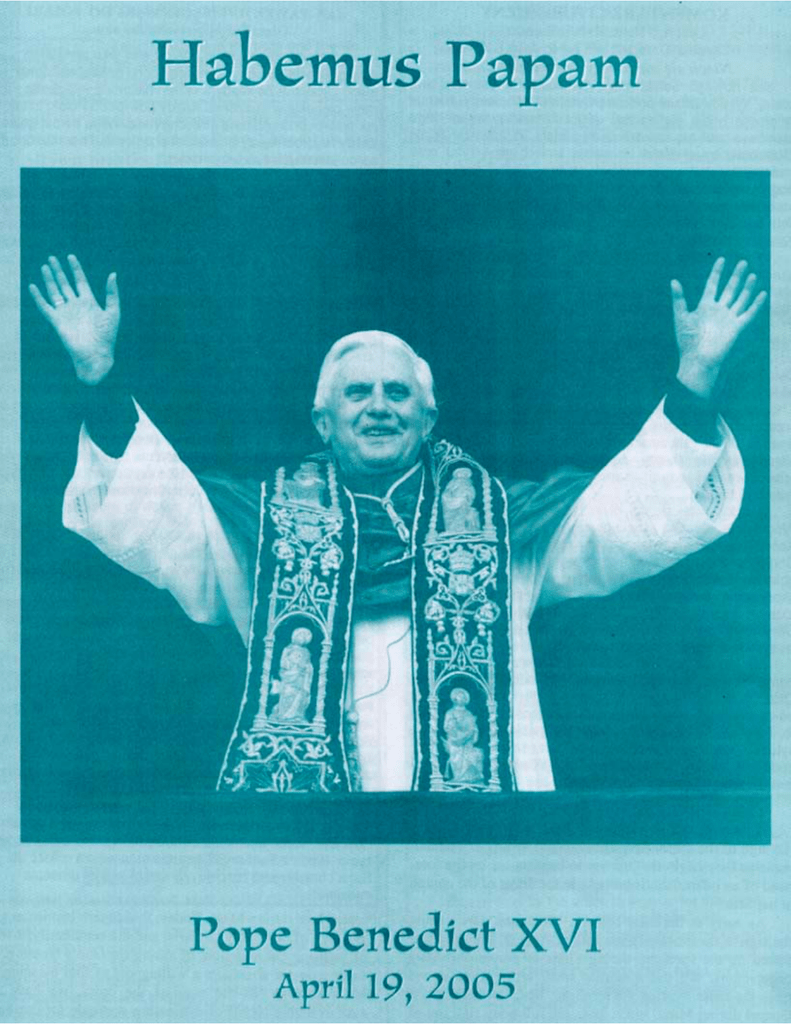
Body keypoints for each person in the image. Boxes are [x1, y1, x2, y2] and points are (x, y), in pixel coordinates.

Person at [29, 254, 766, 794]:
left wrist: (693, 383)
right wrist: (101, 381)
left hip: (474, 825)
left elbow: (622, 520)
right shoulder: (263, 529)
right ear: (323, 421)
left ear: (429, 416)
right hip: (316, 822)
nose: (378, 406)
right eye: (357, 393)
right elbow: (163, 516)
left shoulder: (503, 526)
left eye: (396, 393)